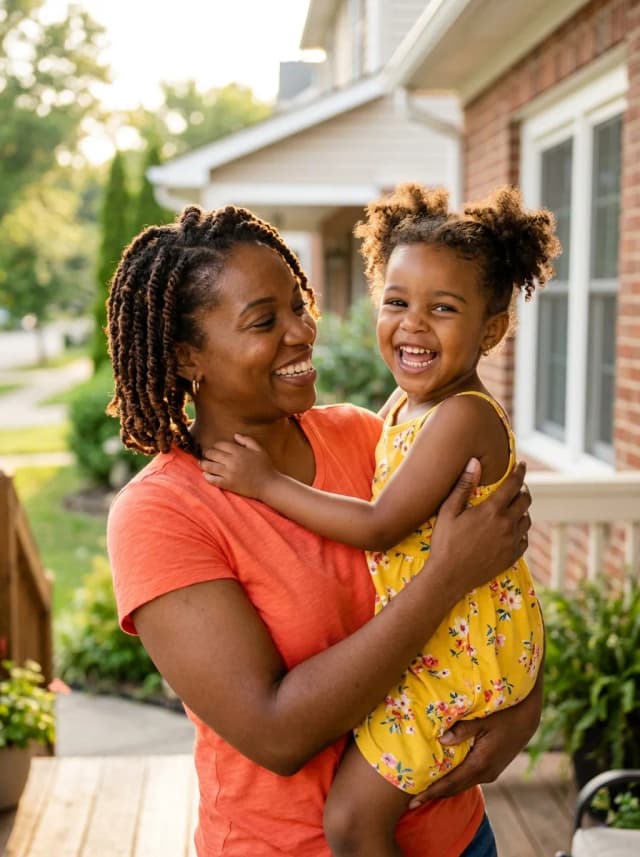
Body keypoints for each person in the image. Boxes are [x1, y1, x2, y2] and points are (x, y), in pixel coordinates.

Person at [106, 202, 538, 857]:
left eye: (298, 306)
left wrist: (523, 709)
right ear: (188, 354)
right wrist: (446, 574)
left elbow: (495, 586)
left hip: (455, 833)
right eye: (264, 320)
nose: (302, 332)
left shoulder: (369, 437)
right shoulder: (163, 514)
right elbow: (277, 732)